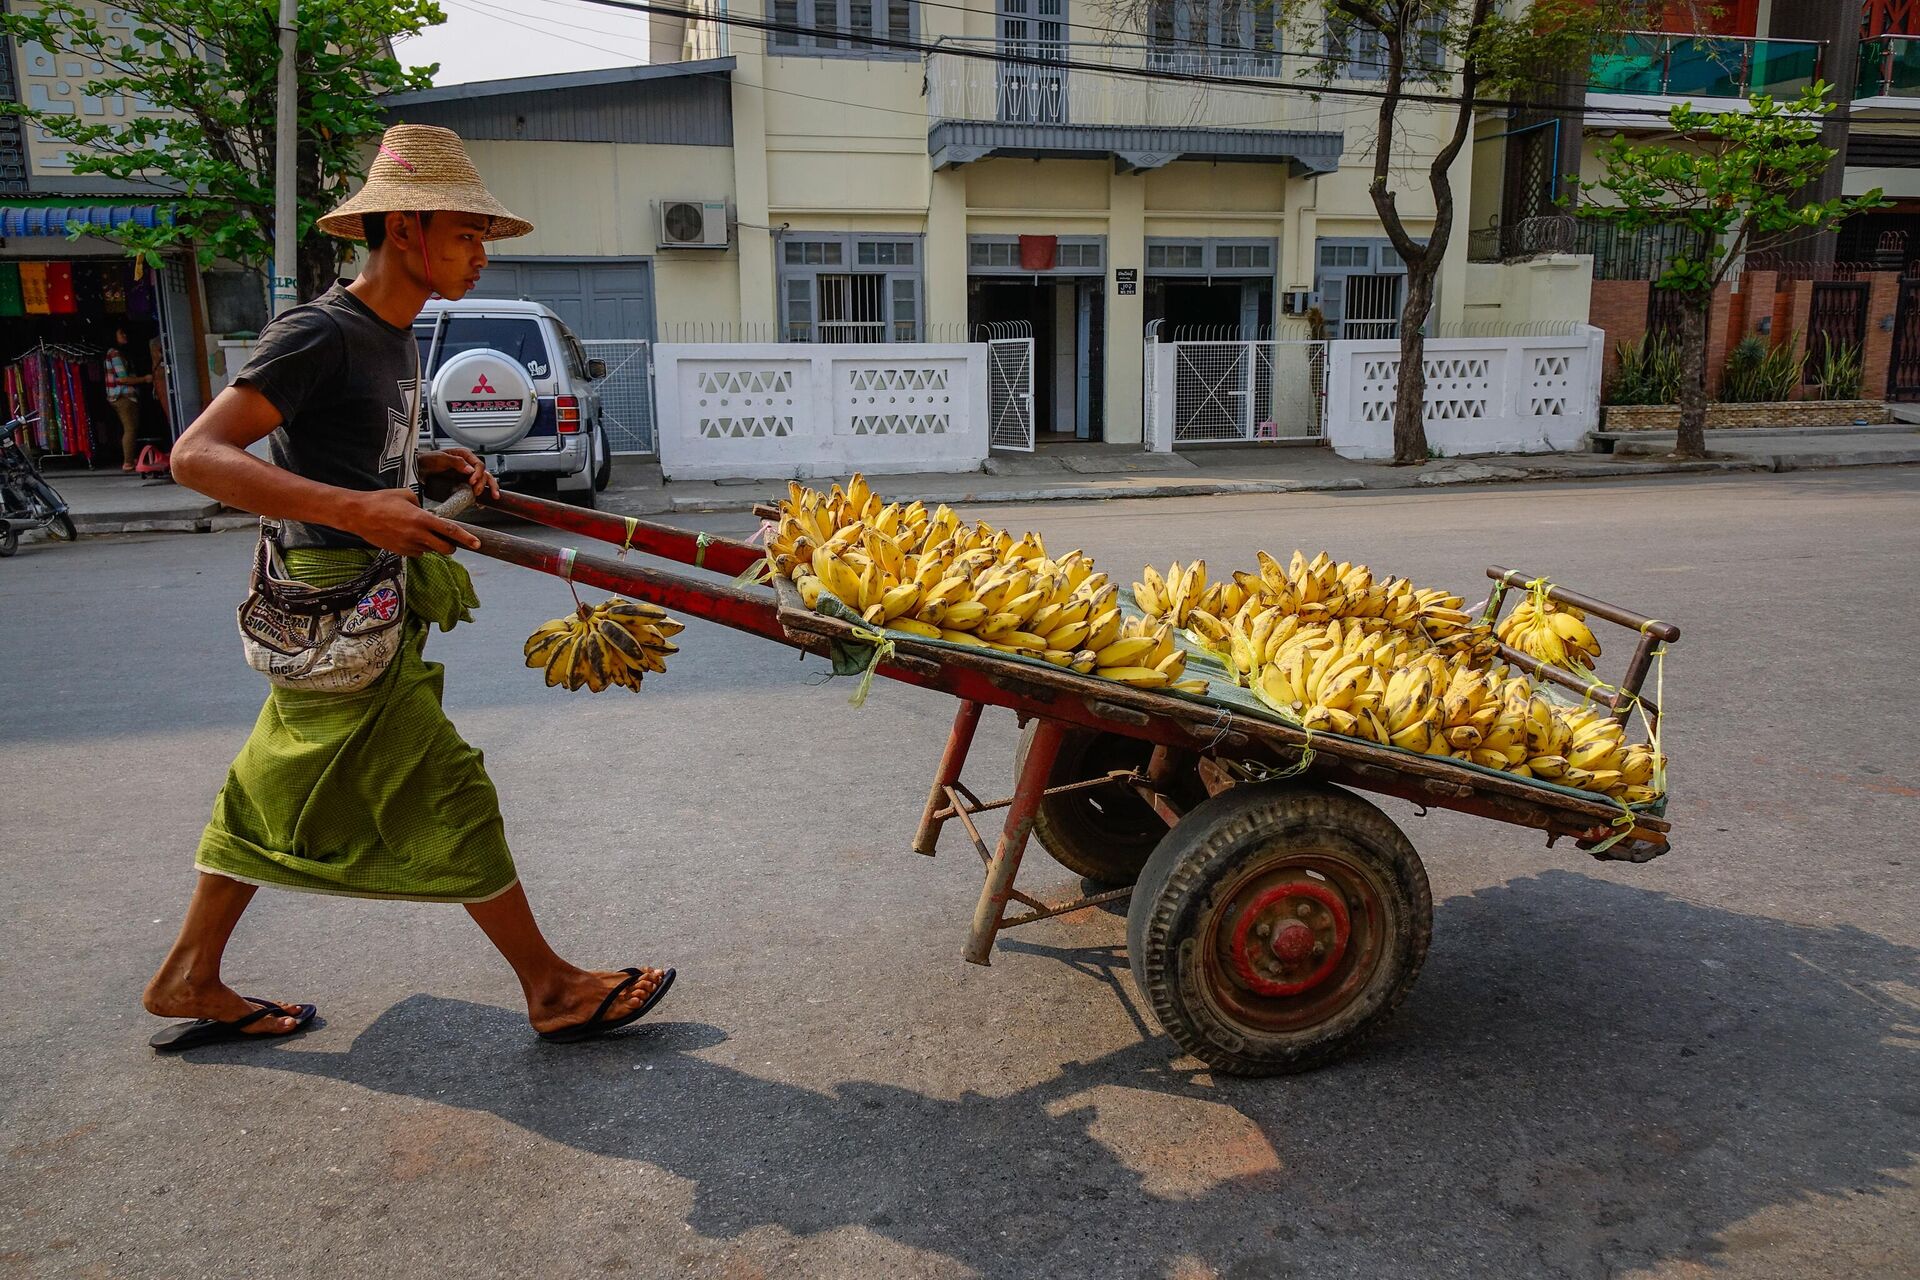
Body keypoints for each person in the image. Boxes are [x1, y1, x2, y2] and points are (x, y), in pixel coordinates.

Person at [142, 124, 672, 1052]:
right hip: (333, 600)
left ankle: (189, 974)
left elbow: (341, 440)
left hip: (365, 596)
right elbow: (199, 456)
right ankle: (551, 988)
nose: (478, 254)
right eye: (465, 234)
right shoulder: (320, 330)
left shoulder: (399, 335)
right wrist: (358, 511)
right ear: (405, 228)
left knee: (270, 787)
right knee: (449, 785)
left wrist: (425, 459)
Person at [105, 325, 152, 472]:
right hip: (123, 396)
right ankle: (128, 462)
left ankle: (130, 459)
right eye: (121, 333)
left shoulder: (117, 353)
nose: (125, 336)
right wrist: (144, 379)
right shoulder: (115, 354)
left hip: (121, 396)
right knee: (130, 428)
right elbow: (123, 379)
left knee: (130, 428)